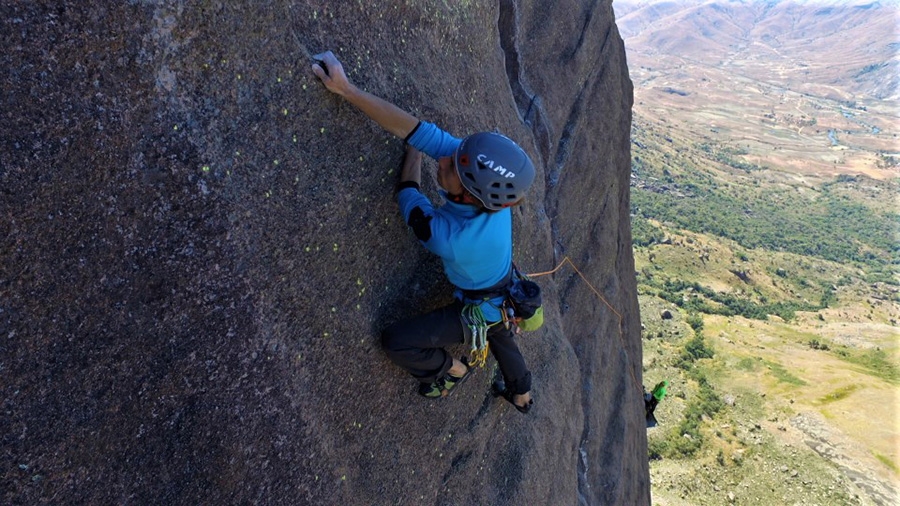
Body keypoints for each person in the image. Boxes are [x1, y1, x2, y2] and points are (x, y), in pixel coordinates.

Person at [312, 51, 535, 413]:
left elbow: (408, 193)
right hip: (501, 285)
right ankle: (522, 395)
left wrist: (413, 155)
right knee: (500, 333)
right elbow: (414, 129)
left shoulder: (448, 237)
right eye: (451, 155)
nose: (443, 158)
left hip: (478, 304)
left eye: (449, 166)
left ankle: (450, 369)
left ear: (469, 195)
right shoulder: (481, 182)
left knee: (397, 340)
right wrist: (347, 90)